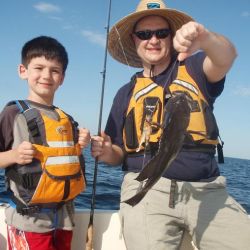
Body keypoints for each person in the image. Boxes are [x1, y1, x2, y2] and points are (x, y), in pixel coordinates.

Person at [91, 0, 250, 249]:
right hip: (146, 188)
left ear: (171, 36)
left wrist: (205, 38)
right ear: (134, 40)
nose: (153, 39)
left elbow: (227, 56)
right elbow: (117, 154)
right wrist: (107, 152)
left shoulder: (196, 69)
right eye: (144, 34)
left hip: (207, 189)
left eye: (161, 33)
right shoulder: (126, 93)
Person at [0, 36, 90, 250]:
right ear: (23, 71)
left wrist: (83, 143)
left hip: (65, 219)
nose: (46, 76)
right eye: (39, 68)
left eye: (55, 70)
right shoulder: (12, 114)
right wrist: (13, 156)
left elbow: (68, 157)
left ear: (62, 78)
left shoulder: (67, 119)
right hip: (29, 222)